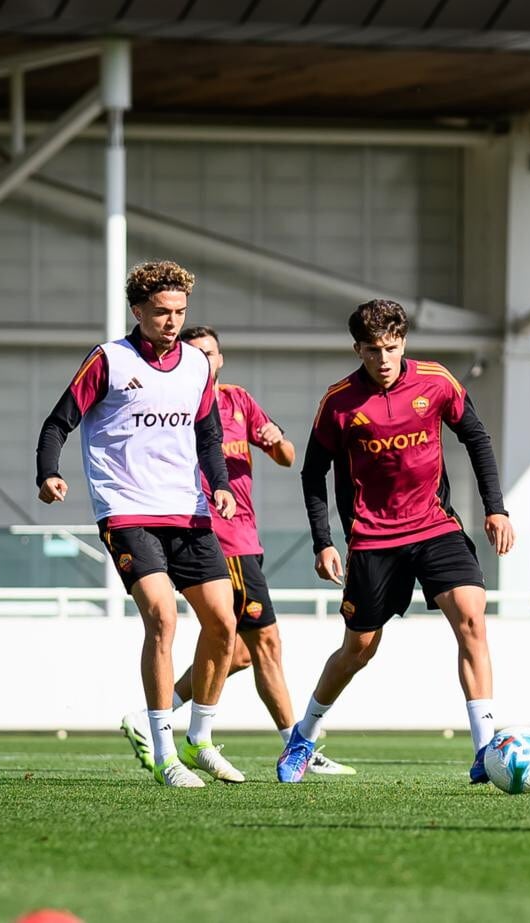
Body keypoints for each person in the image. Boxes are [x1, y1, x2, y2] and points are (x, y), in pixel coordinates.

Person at [278, 299, 514, 783]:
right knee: (359, 650)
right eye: (372, 350)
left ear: (403, 342)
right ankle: (303, 736)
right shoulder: (339, 402)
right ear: (358, 350)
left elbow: (476, 437)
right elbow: (312, 473)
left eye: (390, 347)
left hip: (435, 525)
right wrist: (324, 542)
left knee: (472, 619)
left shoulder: (436, 381)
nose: (383, 358)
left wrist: (495, 508)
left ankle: (485, 750)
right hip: (372, 538)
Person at [35, 261, 241, 788]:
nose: (172, 322)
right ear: (138, 310)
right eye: (161, 312)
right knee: (163, 618)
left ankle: (200, 740)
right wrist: (49, 472)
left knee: (223, 623)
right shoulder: (109, 360)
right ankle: (165, 753)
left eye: (180, 312)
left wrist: (219, 484)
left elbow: (209, 435)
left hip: (189, 510)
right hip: (126, 510)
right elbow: (58, 422)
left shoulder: (197, 365)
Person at [118, 326, 355, 777]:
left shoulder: (238, 400)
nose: (204, 360)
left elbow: (287, 456)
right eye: (195, 353)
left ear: (221, 358)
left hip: (247, 535)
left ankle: (153, 716)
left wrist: (275, 438)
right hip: (219, 540)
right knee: (266, 643)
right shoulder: (174, 402)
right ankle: (297, 748)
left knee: (242, 652)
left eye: (210, 353)